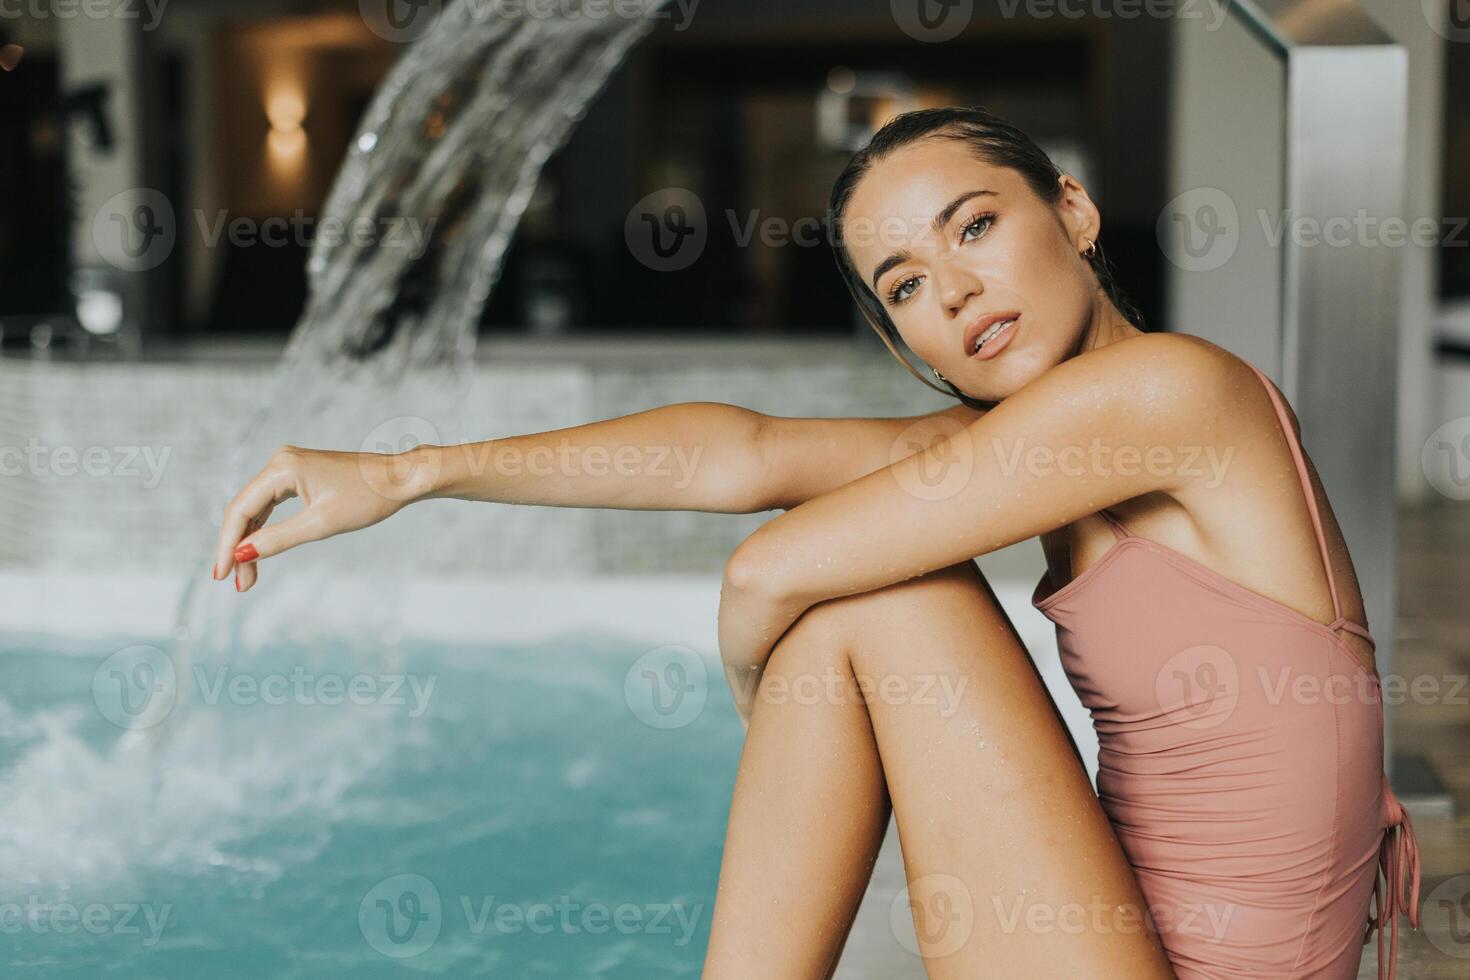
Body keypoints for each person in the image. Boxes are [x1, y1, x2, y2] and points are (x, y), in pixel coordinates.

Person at [213, 106, 1419, 979]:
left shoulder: (1173, 391)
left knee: (882, 594)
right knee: (870, 580)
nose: (950, 289)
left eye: (975, 226)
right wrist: (408, 472)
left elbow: (772, 560)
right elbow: (739, 450)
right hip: (1121, 945)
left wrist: (752, 657)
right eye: (902, 284)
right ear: (905, 341)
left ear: (1074, 211)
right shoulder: (1026, 452)